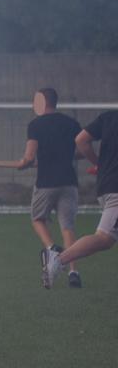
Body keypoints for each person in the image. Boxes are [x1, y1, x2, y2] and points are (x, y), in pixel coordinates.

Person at [15, 88, 83, 288]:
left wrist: (23, 164)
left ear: (42, 102)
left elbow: (28, 157)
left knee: (37, 219)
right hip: (69, 182)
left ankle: (52, 249)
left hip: (46, 183)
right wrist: (60, 157)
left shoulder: (35, 125)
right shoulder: (71, 123)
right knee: (68, 227)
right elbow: (80, 151)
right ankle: (74, 272)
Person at [43, 109, 118, 288]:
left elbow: (81, 140)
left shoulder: (109, 116)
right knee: (105, 238)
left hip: (106, 184)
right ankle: (58, 260)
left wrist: (98, 163)